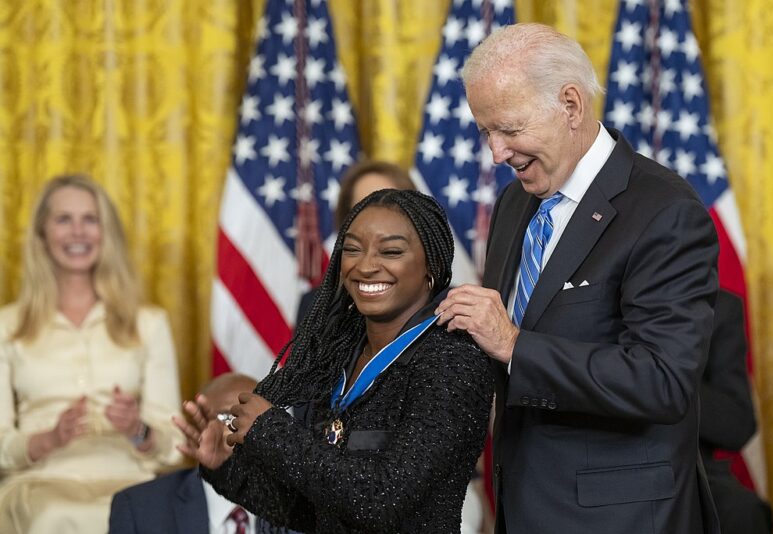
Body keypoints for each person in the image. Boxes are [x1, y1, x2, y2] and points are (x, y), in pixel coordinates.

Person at [435, 24, 721, 533]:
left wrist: (515, 344)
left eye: (509, 129)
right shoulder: (514, 203)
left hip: (623, 519)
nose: (496, 153)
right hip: (524, 508)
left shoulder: (664, 210)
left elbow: (663, 381)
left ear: (570, 105)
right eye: (485, 132)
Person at [175, 189, 494, 533]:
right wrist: (226, 469)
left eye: (391, 251)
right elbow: (315, 509)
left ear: (431, 265)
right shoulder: (337, 354)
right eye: (353, 249)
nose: (366, 265)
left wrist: (270, 429)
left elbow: (383, 500)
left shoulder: (453, 360)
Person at [0, 174, 183, 534]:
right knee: (53, 515)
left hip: (130, 480)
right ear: (42, 235)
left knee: (141, 515)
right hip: (42, 483)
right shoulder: (8, 326)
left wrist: (137, 429)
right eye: (64, 219)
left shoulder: (149, 323)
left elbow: (174, 446)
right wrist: (47, 439)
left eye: (90, 219)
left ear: (106, 233)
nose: (78, 232)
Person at [108, 372, 260, 534]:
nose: (243, 431)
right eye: (227, 417)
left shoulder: (289, 503)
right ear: (196, 425)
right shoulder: (138, 509)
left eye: (257, 419)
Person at [295, 159, 416, 325]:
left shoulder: (450, 306)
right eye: (363, 209)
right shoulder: (317, 307)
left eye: (388, 208)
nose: (375, 222)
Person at [701, 289, 773, 534]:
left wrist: (669, 377)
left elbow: (738, 426)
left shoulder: (720, 307)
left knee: (742, 511)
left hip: (694, 468)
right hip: (605, 458)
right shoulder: (596, 300)